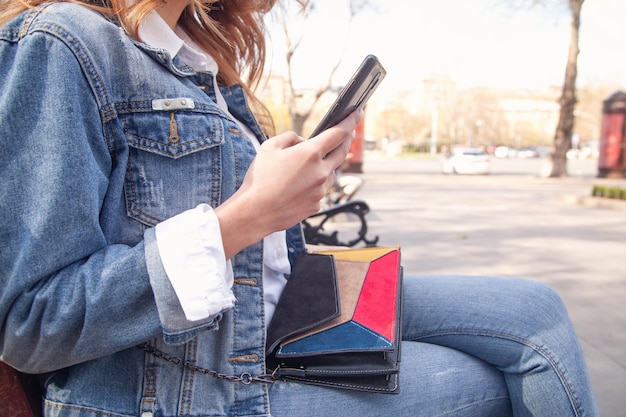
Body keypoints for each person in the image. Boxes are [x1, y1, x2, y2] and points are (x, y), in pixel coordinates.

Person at [0, 0, 600, 416]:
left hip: (281, 313)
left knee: (538, 312)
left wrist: (287, 196)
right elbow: (31, 323)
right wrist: (248, 215)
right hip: (196, 390)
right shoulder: (60, 43)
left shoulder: (199, 61)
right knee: (491, 379)